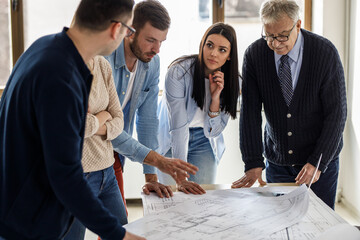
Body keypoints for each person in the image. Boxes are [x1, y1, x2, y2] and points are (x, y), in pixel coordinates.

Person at [0, 0, 194, 239]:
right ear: (116, 29)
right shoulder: (62, 76)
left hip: (21, 207)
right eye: (127, 30)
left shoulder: (45, 48)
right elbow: (67, 175)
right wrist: (120, 235)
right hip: (30, 220)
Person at [232, 0, 347, 209]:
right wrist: (253, 162)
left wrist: (317, 162)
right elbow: (250, 112)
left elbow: (337, 114)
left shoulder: (324, 52)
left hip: (319, 163)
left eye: (282, 36)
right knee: (280, 224)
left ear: (298, 25)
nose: (275, 44)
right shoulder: (255, 55)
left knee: (319, 226)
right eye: (269, 36)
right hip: (278, 162)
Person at [107, 0, 197, 201]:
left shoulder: (152, 63)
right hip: (82, 152)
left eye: (161, 42)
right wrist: (157, 160)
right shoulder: (105, 59)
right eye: (150, 40)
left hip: (114, 152)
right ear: (130, 31)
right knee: (71, 225)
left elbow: (147, 120)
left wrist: (151, 177)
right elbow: (105, 126)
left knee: (117, 224)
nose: (157, 49)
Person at [156, 23, 240, 194]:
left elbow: (212, 131)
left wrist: (215, 98)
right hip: (172, 138)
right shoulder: (179, 72)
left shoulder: (233, 82)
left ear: (230, 55)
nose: (213, 53)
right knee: (172, 197)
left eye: (222, 50)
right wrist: (180, 177)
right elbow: (178, 127)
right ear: (202, 45)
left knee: (201, 197)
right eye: (209, 45)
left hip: (204, 140)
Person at [64, 55, 127, 239]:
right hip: (79, 176)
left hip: (107, 173)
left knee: (122, 233)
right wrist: (103, 115)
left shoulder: (102, 64)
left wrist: (96, 122)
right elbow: (75, 126)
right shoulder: (67, 68)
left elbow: (119, 119)